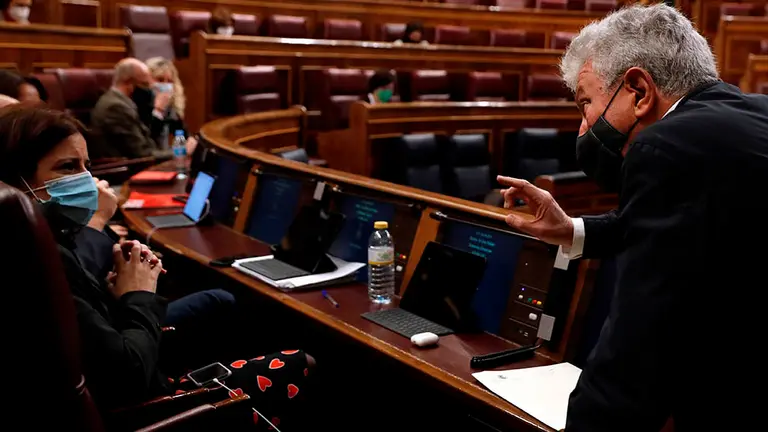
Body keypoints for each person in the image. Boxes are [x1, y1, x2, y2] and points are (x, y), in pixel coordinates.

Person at [497, 5, 768, 431]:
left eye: (585, 102)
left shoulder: (667, 145)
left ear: (639, 91)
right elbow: (692, 222)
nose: (584, 129)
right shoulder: (751, 114)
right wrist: (572, 229)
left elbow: (638, 351)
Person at [0, 105, 314, 429]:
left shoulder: (38, 241)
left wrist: (116, 288)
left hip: (129, 390)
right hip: (149, 411)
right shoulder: (44, 262)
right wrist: (138, 293)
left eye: (86, 167)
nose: (87, 181)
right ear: (15, 181)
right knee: (304, 362)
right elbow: (129, 375)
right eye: (68, 168)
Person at [90, 58, 172, 159]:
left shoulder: (123, 103)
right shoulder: (116, 108)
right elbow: (143, 153)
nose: (149, 89)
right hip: (125, 171)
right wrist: (181, 151)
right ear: (129, 83)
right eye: (145, 84)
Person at [146, 57, 198, 155]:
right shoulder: (139, 104)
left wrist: (191, 141)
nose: (165, 85)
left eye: (169, 81)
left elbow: (182, 133)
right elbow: (147, 139)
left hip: (164, 157)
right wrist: (158, 111)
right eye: (160, 80)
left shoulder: (170, 107)